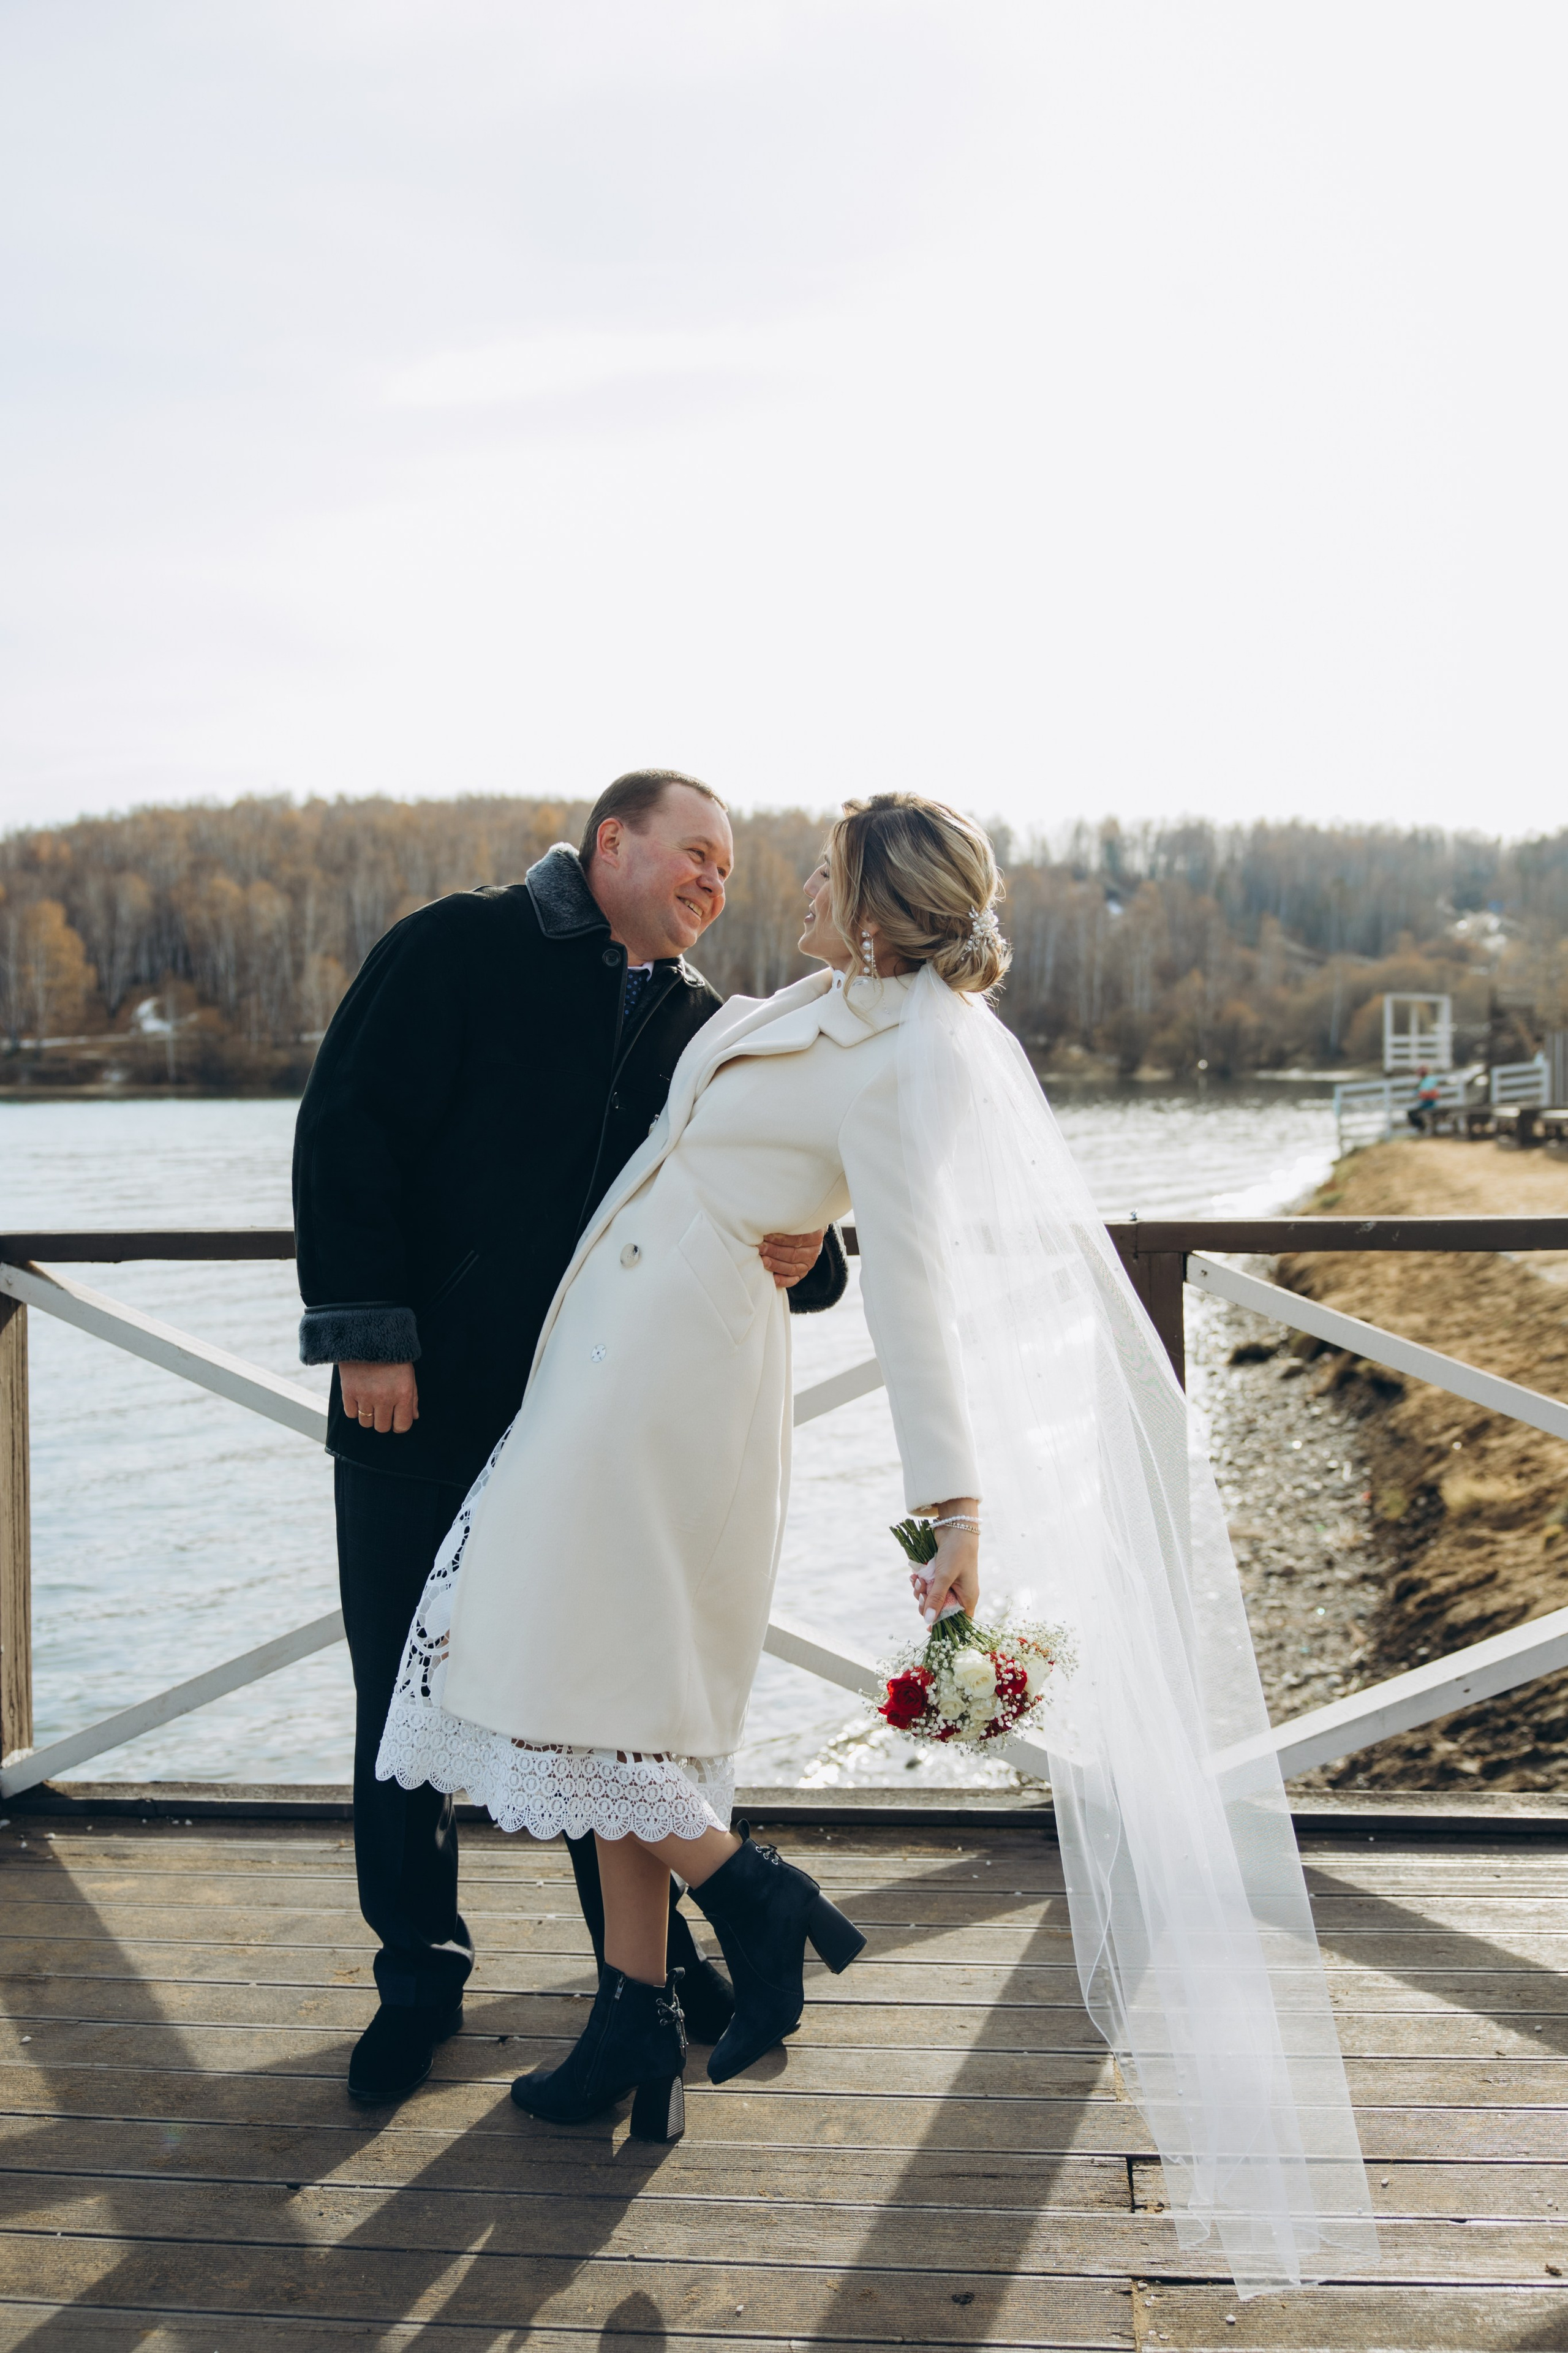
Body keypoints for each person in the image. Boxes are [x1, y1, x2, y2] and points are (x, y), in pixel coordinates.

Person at [377, 790, 1379, 2300]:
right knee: (612, 1686)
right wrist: (800, 1233)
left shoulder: (917, 1059)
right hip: (600, 1363)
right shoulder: (815, 1001)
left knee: (553, 1682)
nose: (790, 882)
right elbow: (748, 1165)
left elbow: (914, 1293)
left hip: (670, 1390)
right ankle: (632, 2021)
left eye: (821, 869)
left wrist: (950, 1511)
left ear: (872, 906)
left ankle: (752, 1892)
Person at [292, 769, 846, 2104]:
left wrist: (814, 1248)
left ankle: (641, 1983)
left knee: (594, 1693)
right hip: (423, 1396)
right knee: (404, 1692)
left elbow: (759, 1190)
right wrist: (369, 1333)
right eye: (695, 852)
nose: (715, 881)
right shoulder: (459, 944)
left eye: (729, 869)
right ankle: (418, 1978)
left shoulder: (707, 1026)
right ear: (612, 841)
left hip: (597, 1422)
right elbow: (347, 1127)